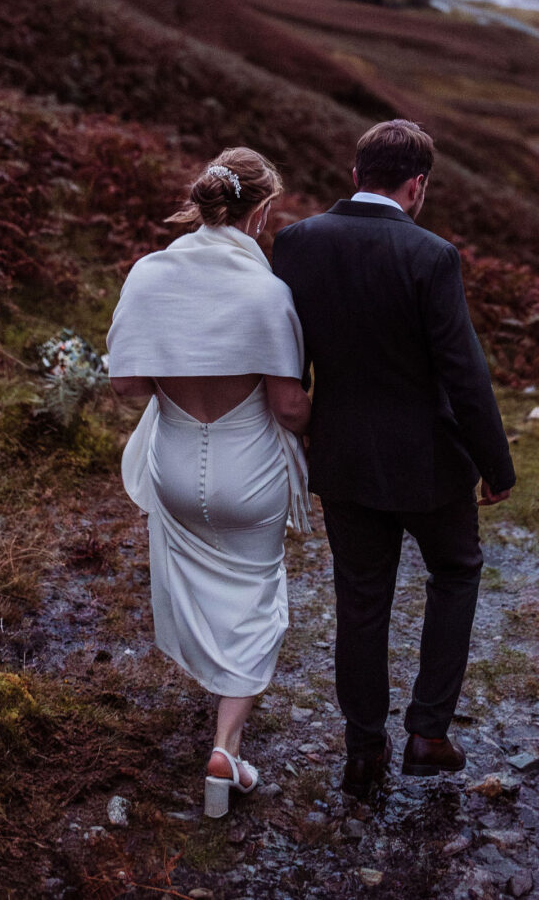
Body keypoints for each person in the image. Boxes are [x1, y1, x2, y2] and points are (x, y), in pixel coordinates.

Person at [273, 119, 515, 795]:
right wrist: (496, 465)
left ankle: (363, 748)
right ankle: (428, 731)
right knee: (457, 572)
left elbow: (284, 355)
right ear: (417, 185)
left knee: (360, 601)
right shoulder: (432, 255)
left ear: (356, 175)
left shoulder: (295, 242)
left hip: (342, 456)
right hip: (431, 463)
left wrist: (305, 429)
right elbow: (464, 373)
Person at [107, 148, 311, 817]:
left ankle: (219, 708)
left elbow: (128, 383)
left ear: (199, 203)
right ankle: (226, 745)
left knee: (201, 581)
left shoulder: (149, 274)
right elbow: (288, 408)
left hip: (170, 460)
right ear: (261, 210)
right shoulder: (267, 292)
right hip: (246, 467)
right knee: (257, 599)